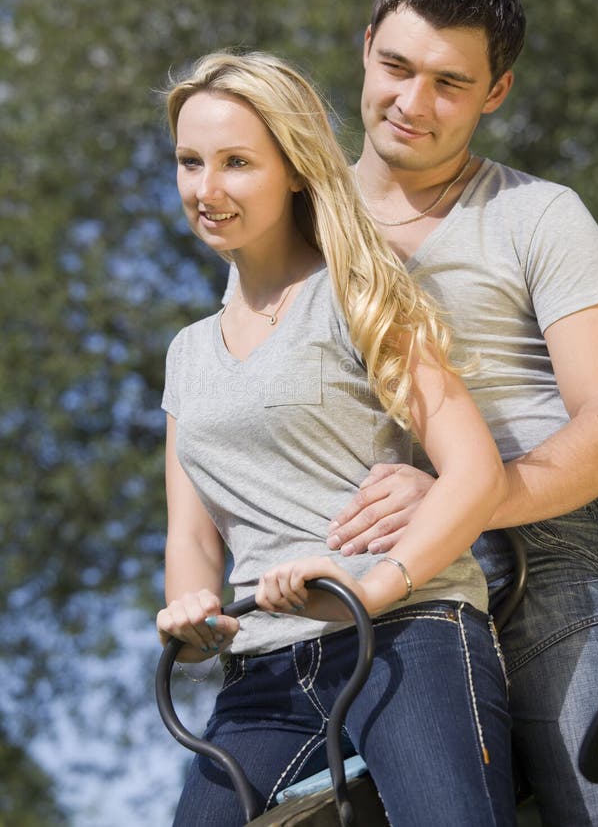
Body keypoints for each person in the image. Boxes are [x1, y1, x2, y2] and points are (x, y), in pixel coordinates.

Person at [156, 49, 517, 827]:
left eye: (236, 163)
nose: (206, 190)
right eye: (190, 162)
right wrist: (190, 622)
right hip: (261, 668)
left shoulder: (358, 295)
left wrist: (370, 586)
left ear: (293, 168)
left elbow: (476, 474)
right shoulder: (186, 354)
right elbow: (192, 535)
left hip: (407, 634)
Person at [315, 0, 598, 826]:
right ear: (366, 50)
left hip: (549, 560)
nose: (412, 102)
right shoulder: (294, 233)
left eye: (450, 83)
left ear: (497, 92)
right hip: (374, 590)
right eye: (398, 68)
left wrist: (466, 498)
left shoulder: (537, 214)